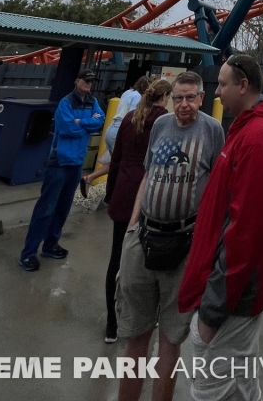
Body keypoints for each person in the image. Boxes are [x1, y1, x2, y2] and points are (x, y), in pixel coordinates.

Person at [179, 55, 263, 401]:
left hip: (232, 294)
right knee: (240, 383)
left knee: (211, 389)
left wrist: (212, 310)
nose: (217, 91)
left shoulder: (256, 138)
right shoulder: (244, 126)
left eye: (223, 84)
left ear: (243, 86)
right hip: (231, 287)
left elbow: (245, 231)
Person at [115, 72, 224, 401]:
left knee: (170, 339)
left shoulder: (212, 130)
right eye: (178, 98)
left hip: (184, 242)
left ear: (202, 98)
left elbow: (218, 187)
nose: (184, 104)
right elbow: (149, 174)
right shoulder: (161, 125)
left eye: (191, 98)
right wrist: (132, 228)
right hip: (144, 234)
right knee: (135, 334)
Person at [102, 79, 172, 343]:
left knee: (116, 257)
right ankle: (141, 318)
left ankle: (111, 322)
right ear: (164, 97)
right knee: (145, 260)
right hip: (146, 194)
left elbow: (116, 158)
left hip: (123, 190)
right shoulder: (163, 120)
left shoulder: (130, 117)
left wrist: (110, 194)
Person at [19, 68, 105, 272]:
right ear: (77, 80)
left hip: (76, 163)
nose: (89, 84)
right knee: (46, 208)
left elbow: (99, 121)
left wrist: (80, 122)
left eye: (91, 81)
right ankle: (28, 253)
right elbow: (67, 128)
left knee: (64, 206)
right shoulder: (66, 102)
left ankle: (51, 244)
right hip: (59, 161)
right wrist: (86, 124)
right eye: (85, 80)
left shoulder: (93, 101)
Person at [82, 75, 151, 196]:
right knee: (123, 164)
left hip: (111, 128)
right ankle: (115, 192)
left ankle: (90, 178)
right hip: (121, 130)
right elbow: (134, 116)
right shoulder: (138, 97)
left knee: (115, 163)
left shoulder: (128, 92)